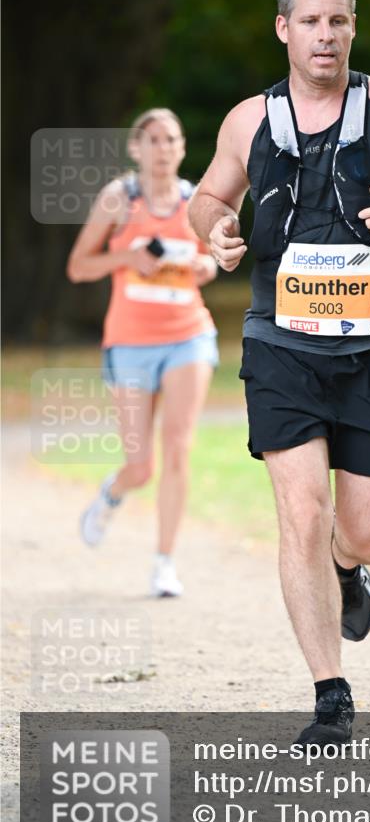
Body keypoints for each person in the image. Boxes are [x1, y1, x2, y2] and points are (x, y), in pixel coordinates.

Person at [188, 0, 370, 746]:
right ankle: (330, 693)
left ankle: (348, 566)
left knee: (369, 532)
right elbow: (207, 196)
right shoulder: (249, 120)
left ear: (351, 27)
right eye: (309, 21)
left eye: (337, 20)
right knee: (302, 512)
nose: (324, 35)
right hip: (280, 343)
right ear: (283, 28)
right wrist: (213, 229)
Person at [67, 108, 220, 596]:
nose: (162, 148)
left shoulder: (196, 201)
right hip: (130, 342)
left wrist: (206, 266)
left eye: (171, 139)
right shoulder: (120, 198)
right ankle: (112, 494)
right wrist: (127, 257)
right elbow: (78, 267)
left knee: (177, 449)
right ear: (136, 148)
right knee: (141, 466)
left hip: (188, 337)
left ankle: (164, 563)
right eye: (152, 139)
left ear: (182, 147)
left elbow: (213, 261)